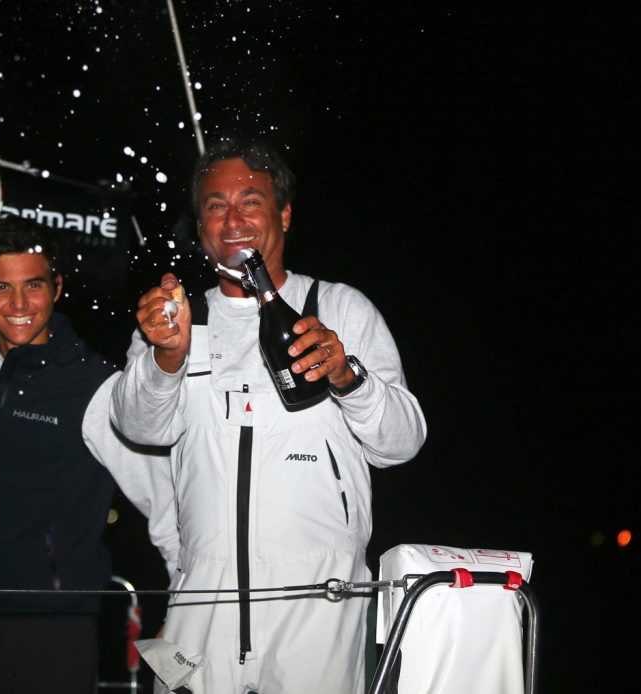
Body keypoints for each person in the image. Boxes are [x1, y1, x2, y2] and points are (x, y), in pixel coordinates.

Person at [110, 139, 427, 694]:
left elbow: (402, 442)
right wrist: (166, 359)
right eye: (215, 206)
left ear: (283, 214)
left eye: (251, 202)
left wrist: (346, 376)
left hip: (321, 597)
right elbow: (137, 427)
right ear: (201, 225)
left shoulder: (339, 307)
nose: (233, 221)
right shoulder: (178, 318)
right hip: (201, 595)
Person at [0, 213, 177, 693]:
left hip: (55, 620)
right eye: (2, 288)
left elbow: (160, 495)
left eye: (34, 285)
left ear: (57, 287)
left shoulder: (93, 386)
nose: (19, 304)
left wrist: (184, 599)